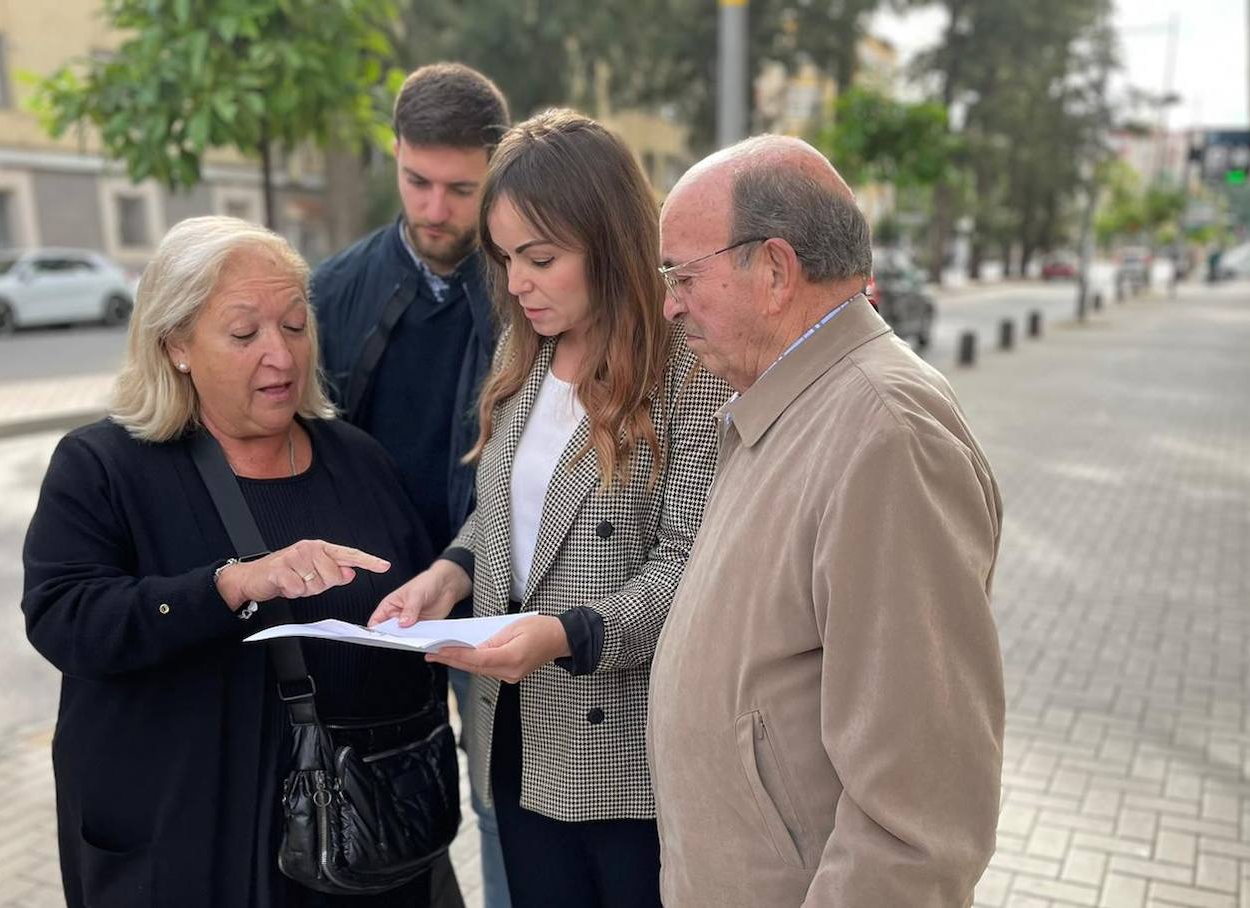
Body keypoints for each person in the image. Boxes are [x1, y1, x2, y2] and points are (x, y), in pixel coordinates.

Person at [21, 216, 445, 908]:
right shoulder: (103, 467)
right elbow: (64, 620)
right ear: (176, 345)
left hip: (355, 844)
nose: (281, 357)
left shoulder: (357, 459)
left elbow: (416, 596)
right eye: (245, 334)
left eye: (295, 326)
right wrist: (228, 586)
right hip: (187, 845)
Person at [369, 109, 732, 908]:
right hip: (513, 732)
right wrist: (447, 577)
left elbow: (692, 565)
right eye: (502, 259)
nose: (516, 283)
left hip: (626, 755)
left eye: (540, 258)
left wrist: (568, 635)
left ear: (611, 242)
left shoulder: (689, 373)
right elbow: (504, 513)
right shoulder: (522, 347)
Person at [647, 136, 1005, 906]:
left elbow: (918, 825)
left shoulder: (886, 437)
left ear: (774, 270)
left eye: (682, 274)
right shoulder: (793, 402)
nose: (670, 303)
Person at [311, 62, 510, 908]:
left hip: (502, 592)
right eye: (417, 180)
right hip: (376, 610)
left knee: (503, 804)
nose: (434, 209)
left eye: (460, 189)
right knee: (368, 799)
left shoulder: (528, 288)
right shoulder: (331, 292)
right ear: (393, 154)